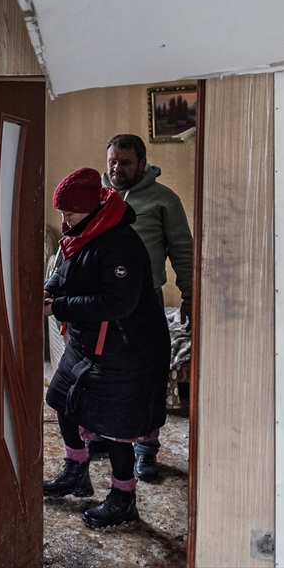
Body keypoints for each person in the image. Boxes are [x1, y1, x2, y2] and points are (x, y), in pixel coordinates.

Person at [42, 168, 170, 530]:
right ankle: (76, 471)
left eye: (69, 212)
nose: (63, 220)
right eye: (61, 212)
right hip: (87, 343)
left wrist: (59, 308)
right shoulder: (81, 232)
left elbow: (118, 303)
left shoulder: (119, 242)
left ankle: (123, 498)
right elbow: (63, 266)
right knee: (62, 401)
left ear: (92, 208)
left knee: (115, 428)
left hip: (126, 348)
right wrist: (50, 289)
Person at [93, 133, 194, 481]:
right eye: (112, 161)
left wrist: (190, 296)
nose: (117, 168)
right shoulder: (99, 197)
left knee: (147, 376)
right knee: (103, 374)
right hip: (104, 301)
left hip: (144, 301)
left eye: (125, 162)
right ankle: (103, 434)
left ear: (142, 162)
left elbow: (183, 250)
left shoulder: (165, 200)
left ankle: (146, 450)